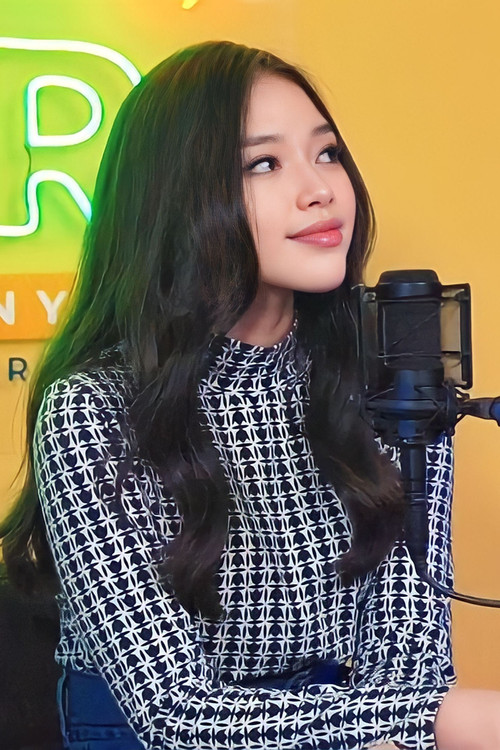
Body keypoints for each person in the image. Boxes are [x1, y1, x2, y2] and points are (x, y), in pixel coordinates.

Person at [1, 39, 499, 750]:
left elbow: (409, 659)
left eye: (327, 153)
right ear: (176, 201)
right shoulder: (93, 409)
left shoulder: (387, 382)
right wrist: (444, 721)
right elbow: (175, 713)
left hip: (357, 725)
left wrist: (410, 725)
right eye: (263, 164)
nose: (320, 188)